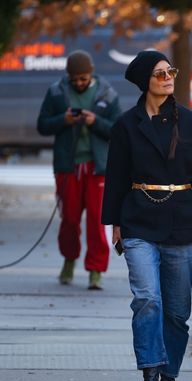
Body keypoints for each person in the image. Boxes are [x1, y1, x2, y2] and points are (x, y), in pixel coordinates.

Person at [101, 50, 192, 381]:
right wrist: (116, 223)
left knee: (176, 312)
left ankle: (169, 380)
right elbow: (117, 177)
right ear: (145, 81)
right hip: (139, 219)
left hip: (182, 223)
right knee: (147, 299)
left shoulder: (191, 123)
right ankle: (150, 375)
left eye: (170, 70)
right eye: (159, 73)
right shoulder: (126, 125)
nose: (168, 77)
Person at [37, 49, 121, 290]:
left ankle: (96, 270)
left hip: (98, 166)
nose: (79, 83)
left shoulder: (107, 93)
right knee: (70, 218)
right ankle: (69, 259)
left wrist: (96, 122)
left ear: (91, 74)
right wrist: (63, 120)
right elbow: (42, 125)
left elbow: (118, 130)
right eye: (75, 79)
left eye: (83, 78)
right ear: (68, 77)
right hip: (67, 165)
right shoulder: (56, 92)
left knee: (97, 220)